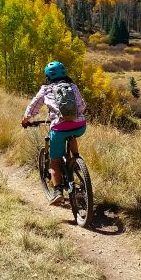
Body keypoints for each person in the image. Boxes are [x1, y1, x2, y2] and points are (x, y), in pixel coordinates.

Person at [21, 61, 87, 205]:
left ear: (47, 76)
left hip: (59, 128)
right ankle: (75, 160)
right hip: (80, 126)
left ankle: (58, 192)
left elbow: (33, 108)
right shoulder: (73, 86)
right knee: (72, 134)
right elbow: (82, 105)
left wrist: (25, 120)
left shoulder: (46, 89)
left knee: (55, 160)